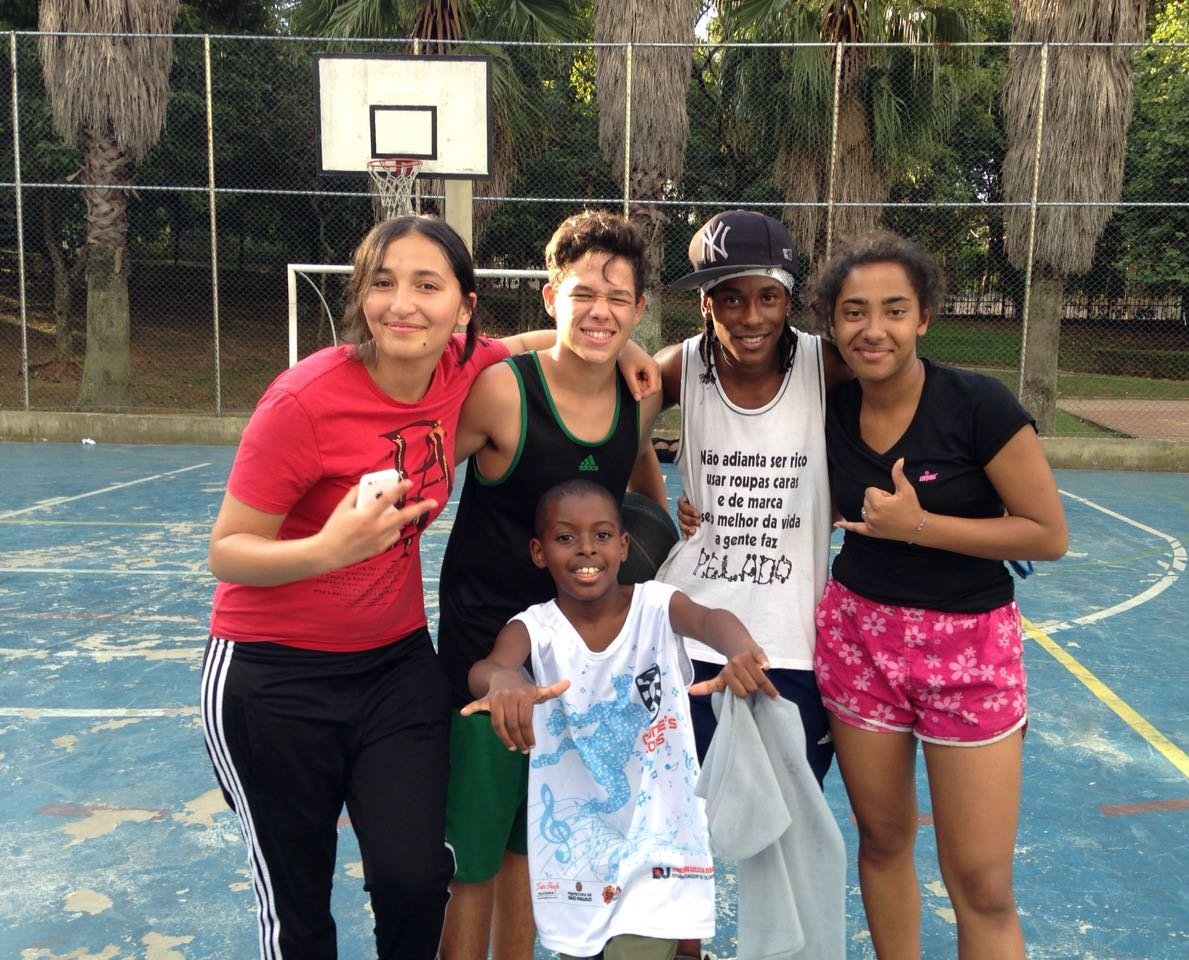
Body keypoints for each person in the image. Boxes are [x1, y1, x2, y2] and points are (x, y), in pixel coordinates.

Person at [199, 214, 654, 960]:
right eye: (383, 283)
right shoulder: (303, 399)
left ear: (464, 308)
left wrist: (624, 342)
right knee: (298, 902)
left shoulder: (458, 371)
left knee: (416, 878)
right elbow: (226, 551)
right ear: (361, 295)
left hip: (394, 666)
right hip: (275, 672)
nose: (403, 304)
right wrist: (327, 550)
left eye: (426, 285)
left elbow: (546, 342)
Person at [811, 231, 1069, 959]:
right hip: (859, 640)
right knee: (883, 839)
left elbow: (1047, 534)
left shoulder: (977, 404)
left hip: (969, 648)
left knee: (981, 884)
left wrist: (919, 526)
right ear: (833, 324)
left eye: (894, 310)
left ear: (924, 317)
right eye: (855, 311)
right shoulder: (830, 406)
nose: (874, 329)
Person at [437, 211, 666, 960]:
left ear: (639, 309)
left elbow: (638, 470)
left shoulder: (639, 397)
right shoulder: (504, 392)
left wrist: (655, 536)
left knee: (534, 851)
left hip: (575, 669)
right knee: (472, 862)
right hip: (485, 661)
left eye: (619, 299)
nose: (601, 311)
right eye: (582, 294)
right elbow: (426, 465)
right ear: (549, 298)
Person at [460, 478, 777, 960]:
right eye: (566, 537)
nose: (586, 548)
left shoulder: (657, 605)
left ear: (623, 545)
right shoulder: (535, 627)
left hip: (660, 839)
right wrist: (503, 682)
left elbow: (709, 619)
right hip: (581, 854)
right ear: (539, 552)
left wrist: (739, 648)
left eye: (602, 535)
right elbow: (489, 667)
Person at [642, 209, 853, 785]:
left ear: (788, 300)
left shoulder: (823, 365)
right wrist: (653, 511)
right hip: (691, 633)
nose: (752, 316)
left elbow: (905, 392)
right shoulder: (679, 367)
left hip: (793, 640)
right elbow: (614, 431)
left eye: (768, 297)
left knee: (788, 818)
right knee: (682, 815)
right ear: (705, 302)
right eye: (731, 298)